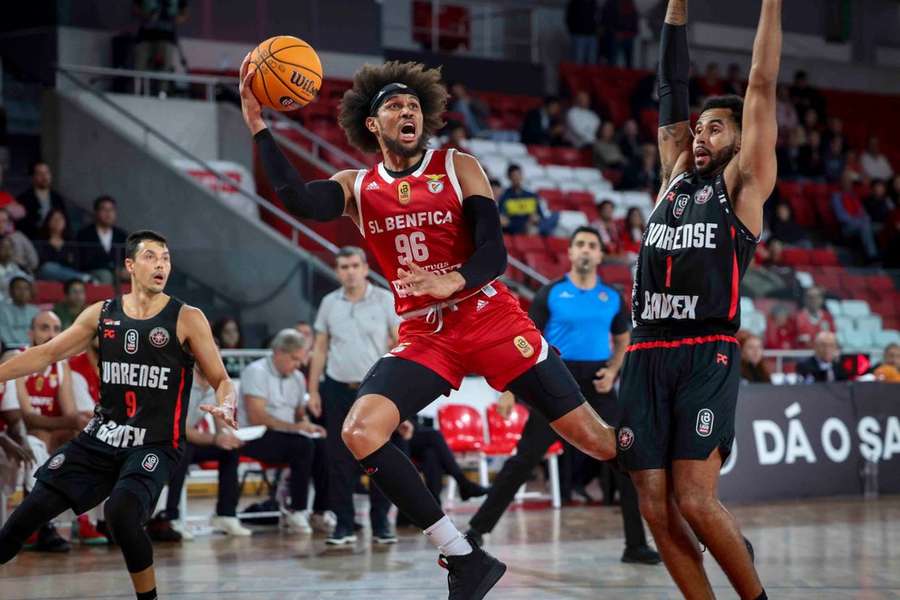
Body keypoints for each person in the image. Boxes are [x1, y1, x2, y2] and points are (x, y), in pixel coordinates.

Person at [242, 58, 617, 598]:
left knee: (599, 444)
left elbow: (495, 250)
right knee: (358, 431)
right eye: (393, 105)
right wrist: (259, 124)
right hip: (426, 334)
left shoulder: (457, 165)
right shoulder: (358, 185)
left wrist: (454, 280)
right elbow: (298, 199)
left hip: (490, 317)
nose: (406, 110)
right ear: (373, 124)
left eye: (413, 105)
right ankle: (464, 557)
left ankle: (681, 494)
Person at [618, 0, 781, 597]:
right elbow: (671, 84)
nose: (703, 133)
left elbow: (762, 81)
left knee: (693, 499)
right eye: (701, 125)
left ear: (742, 141)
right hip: (645, 350)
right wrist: (676, 13)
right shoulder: (673, 174)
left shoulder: (742, 186)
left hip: (705, 350)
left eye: (718, 126)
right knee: (655, 510)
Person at [0, 230, 237, 600]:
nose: (161, 264)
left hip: (155, 444)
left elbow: (222, 378)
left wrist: (227, 402)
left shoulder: (187, 318)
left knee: (122, 512)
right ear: (130, 265)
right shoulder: (102, 314)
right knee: (24, 519)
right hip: (100, 439)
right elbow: (45, 354)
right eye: (151, 256)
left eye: (166, 258)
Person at [466, 226, 660, 566]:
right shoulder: (551, 293)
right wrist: (511, 389)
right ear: (570, 253)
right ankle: (475, 532)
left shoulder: (612, 297)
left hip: (599, 383)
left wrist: (614, 370)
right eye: (580, 244)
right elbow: (522, 339)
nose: (585, 250)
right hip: (556, 382)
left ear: (601, 255)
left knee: (627, 461)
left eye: (592, 245)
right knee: (524, 460)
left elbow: (623, 338)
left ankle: (635, 545)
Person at [306, 246, 402, 546]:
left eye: (354, 265)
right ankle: (344, 525)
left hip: (375, 389)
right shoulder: (328, 303)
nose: (349, 271)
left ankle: (381, 524)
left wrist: (400, 389)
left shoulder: (385, 299)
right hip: (336, 387)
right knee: (338, 460)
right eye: (343, 266)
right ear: (337, 271)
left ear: (364, 268)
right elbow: (320, 347)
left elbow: (401, 343)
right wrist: (312, 389)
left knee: (380, 457)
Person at [17, 311, 100, 550]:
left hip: (51, 433)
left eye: (55, 329)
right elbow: (28, 418)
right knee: (36, 442)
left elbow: (70, 413)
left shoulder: (61, 366)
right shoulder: (17, 358)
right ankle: (42, 526)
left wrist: (74, 423)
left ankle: (85, 519)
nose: (51, 334)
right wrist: (70, 421)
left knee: (86, 442)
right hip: (21, 436)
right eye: (44, 328)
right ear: (30, 333)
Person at [146, 363, 249, 541]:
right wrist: (215, 439)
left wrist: (227, 436)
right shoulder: (177, 378)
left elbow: (221, 420)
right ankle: (171, 517)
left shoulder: (217, 383)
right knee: (183, 450)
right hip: (160, 440)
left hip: (187, 440)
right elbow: (179, 429)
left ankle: (226, 514)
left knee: (229, 450)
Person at [239, 329, 327, 534]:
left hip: (287, 436)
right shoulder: (256, 371)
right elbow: (257, 417)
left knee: (322, 444)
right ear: (278, 352)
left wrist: (307, 425)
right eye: (294, 359)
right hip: (256, 436)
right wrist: (296, 428)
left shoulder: (297, 377)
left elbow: (299, 414)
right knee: (303, 446)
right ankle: (297, 510)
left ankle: (320, 511)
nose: (299, 365)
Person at [132, 0, 189, 95]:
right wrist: (147, 15)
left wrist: (174, 19)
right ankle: (137, 90)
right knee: (140, 63)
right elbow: (135, 9)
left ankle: (162, 91)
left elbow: (184, 12)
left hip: (167, 35)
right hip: (145, 35)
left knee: (165, 65)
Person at [77, 196, 129, 285]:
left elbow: (128, 256)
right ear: (96, 212)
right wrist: (113, 270)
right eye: (104, 209)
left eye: (111, 210)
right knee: (106, 276)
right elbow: (85, 261)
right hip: (94, 272)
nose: (108, 213)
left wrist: (126, 269)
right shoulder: (85, 234)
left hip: (119, 272)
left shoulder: (121, 235)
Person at [831, 168, 879, 262]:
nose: (848, 183)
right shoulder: (836, 197)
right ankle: (872, 255)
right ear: (841, 182)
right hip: (847, 227)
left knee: (882, 227)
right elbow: (842, 217)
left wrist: (865, 219)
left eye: (849, 181)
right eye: (846, 181)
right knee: (865, 226)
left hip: (861, 223)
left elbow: (863, 212)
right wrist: (859, 221)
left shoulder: (854, 196)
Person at [34, 208, 93, 284]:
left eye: (60, 218)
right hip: (45, 274)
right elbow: (39, 263)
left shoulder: (70, 242)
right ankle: (82, 278)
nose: (57, 221)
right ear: (48, 221)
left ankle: (78, 278)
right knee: (48, 267)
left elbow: (75, 264)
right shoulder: (41, 240)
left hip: (67, 274)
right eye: (54, 218)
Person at [15, 161, 68, 239]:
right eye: (40, 173)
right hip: (32, 240)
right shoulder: (24, 199)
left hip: (53, 240)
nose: (44, 177)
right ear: (33, 177)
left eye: (47, 173)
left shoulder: (57, 198)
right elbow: (21, 225)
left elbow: (65, 219)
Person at [498, 164, 550, 235]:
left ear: (522, 176)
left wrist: (537, 218)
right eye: (514, 176)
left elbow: (540, 216)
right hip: (511, 229)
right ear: (509, 177)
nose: (516, 178)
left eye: (518, 175)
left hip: (530, 229)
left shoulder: (532, 196)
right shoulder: (504, 197)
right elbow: (502, 218)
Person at [0, 277, 40, 348]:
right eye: (18, 288)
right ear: (10, 291)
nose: (23, 292)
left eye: (26, 289)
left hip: (32, 349)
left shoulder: (35, 311)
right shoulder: (2, 309)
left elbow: (38, 335)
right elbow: (4, 338)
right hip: (10, 349)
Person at [599, 0, 639, 68]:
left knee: (628, 61)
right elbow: (607, 19)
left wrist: (634, 31)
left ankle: (627, 77)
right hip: (617, 36)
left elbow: (634, 17)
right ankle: (612, 76)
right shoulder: (611, 3)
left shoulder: (630, 3)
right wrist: (615, 32)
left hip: (628, 35)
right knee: (613, 59)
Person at [0, 209, 37, 273]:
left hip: (19, 273)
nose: (0, 224)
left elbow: (34, 261)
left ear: (9, 223)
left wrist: (23, 267)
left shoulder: (19, 237)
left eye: (4, 221)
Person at [566, 0, 599, 64]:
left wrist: (596, 30)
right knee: (578, 59)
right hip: (578, 35)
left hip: (592, 36)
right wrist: (573, 31)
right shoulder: (575, 2)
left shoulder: (593, 3)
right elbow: (569, 17)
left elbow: (597, 17)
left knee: (591, 60)